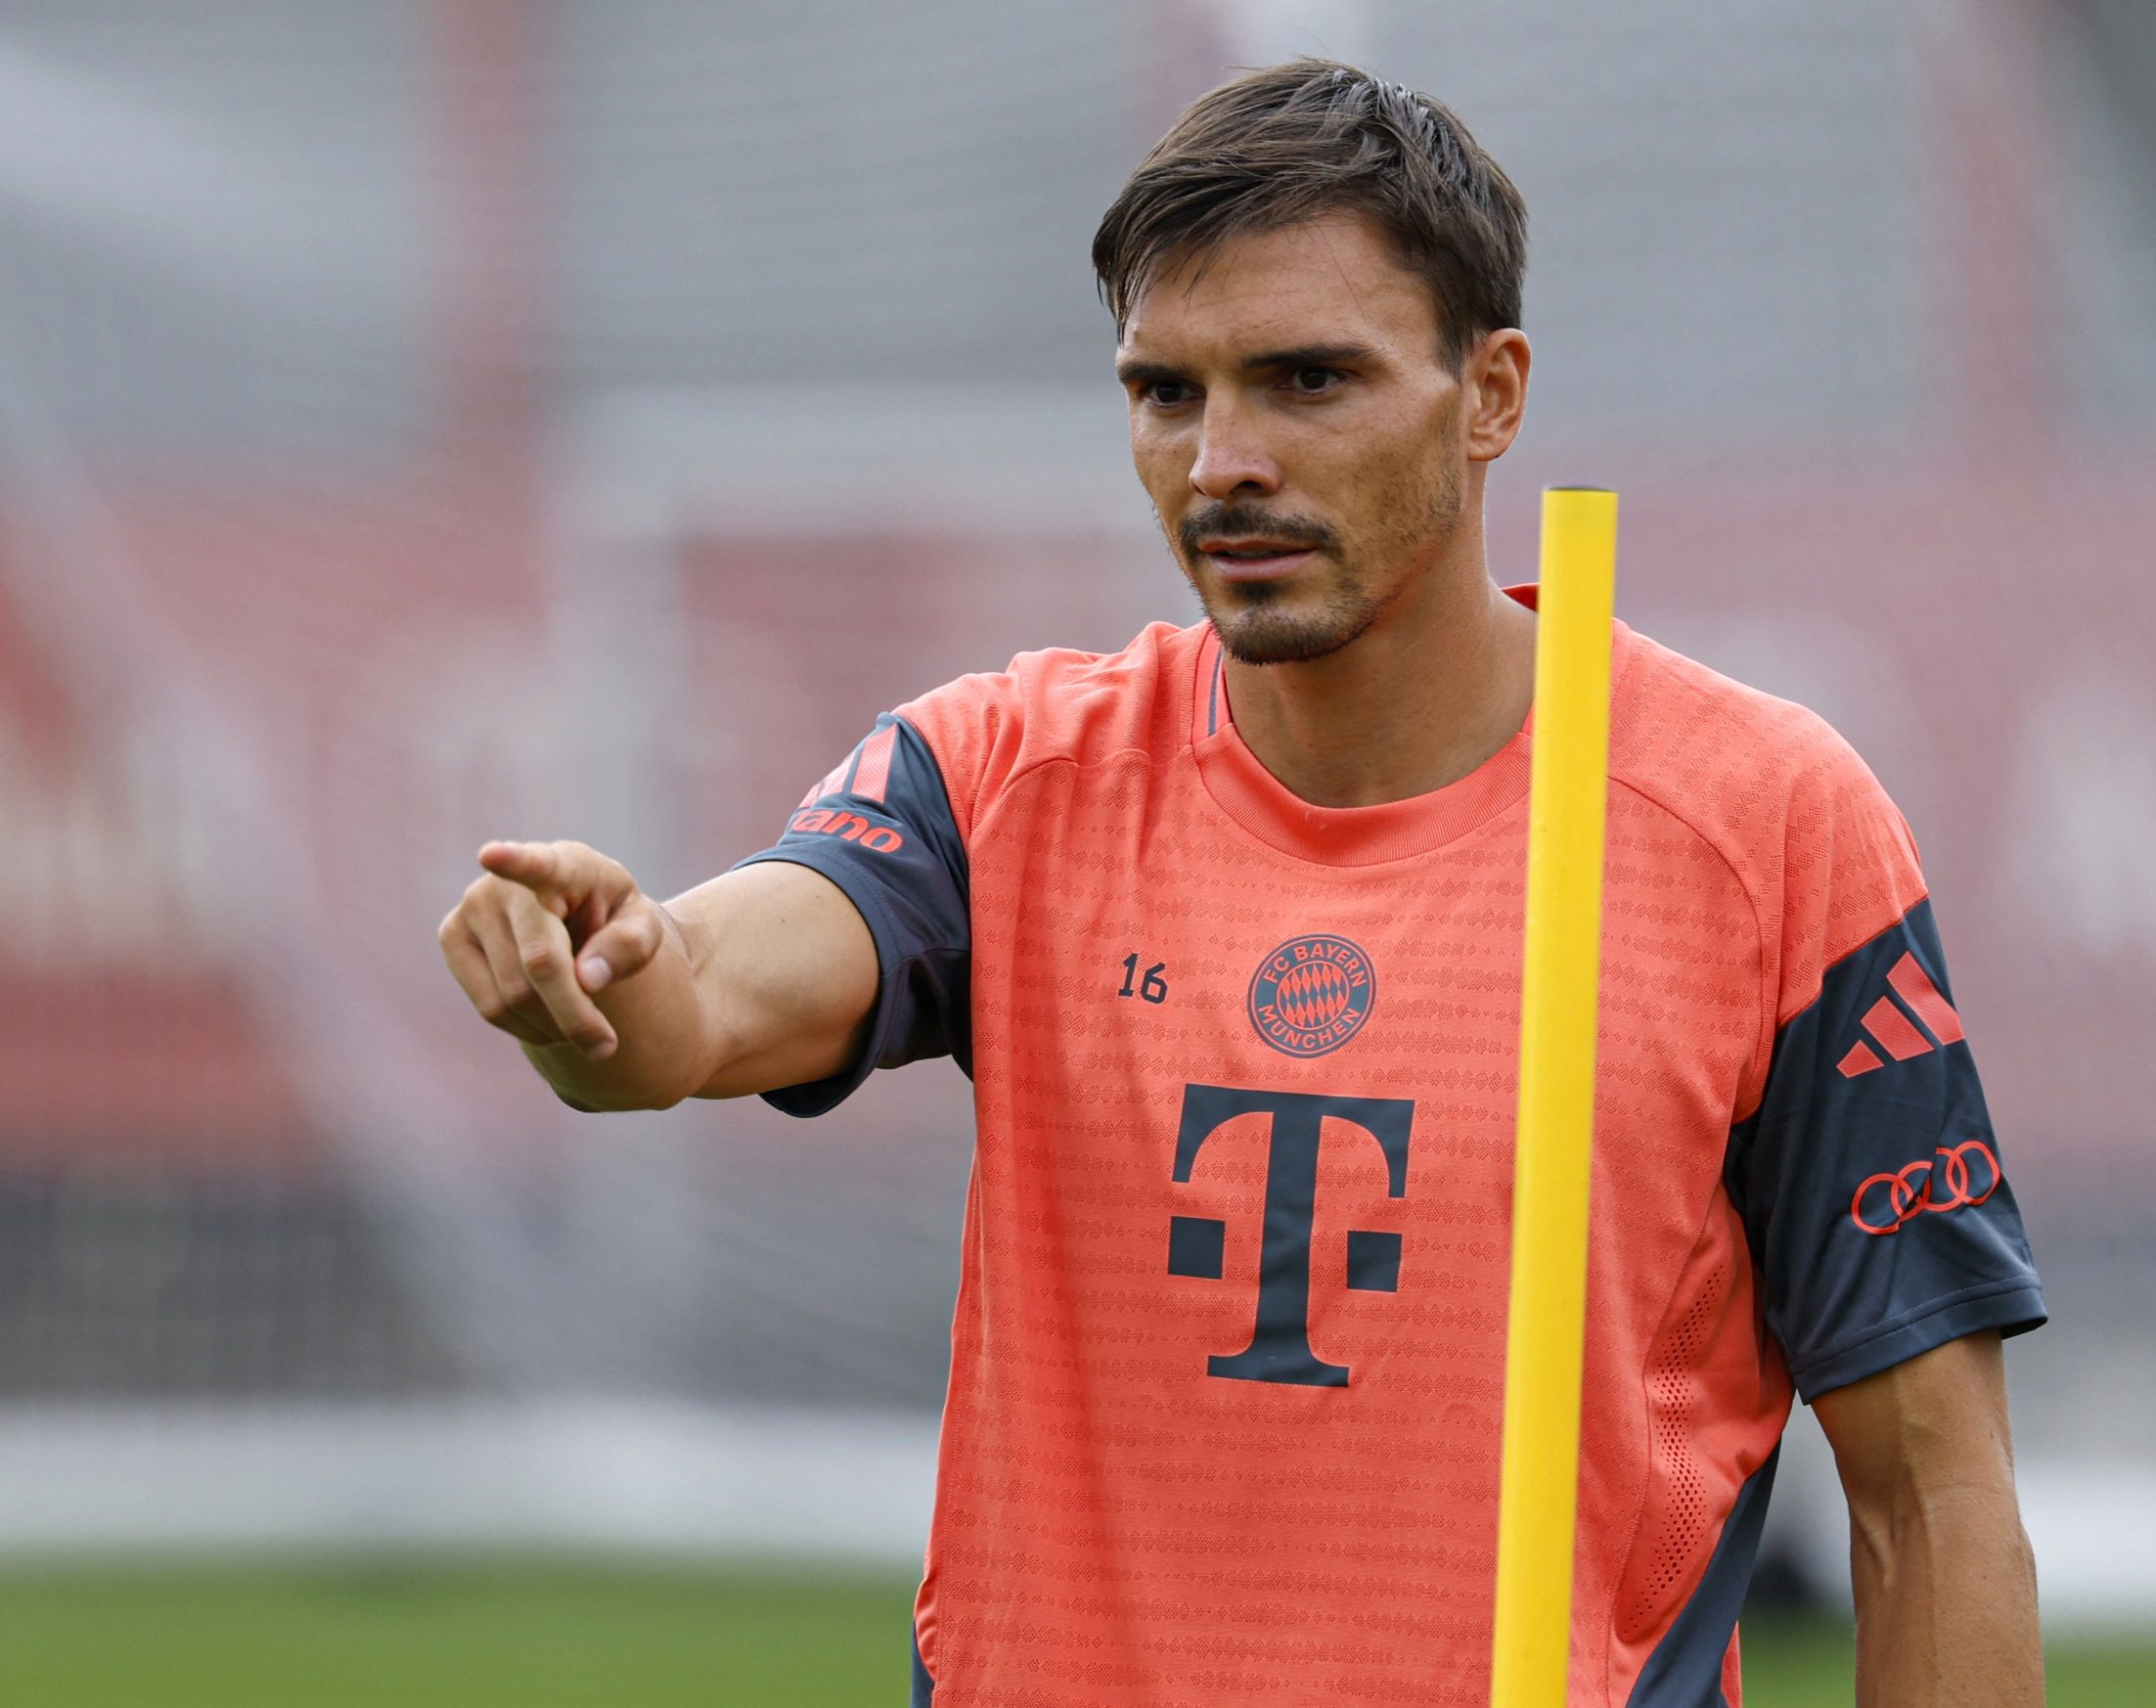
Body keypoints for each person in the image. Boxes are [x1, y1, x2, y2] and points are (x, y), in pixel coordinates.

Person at [438, 59, 2045, 1708]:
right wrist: (610, 971)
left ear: (1490, 395)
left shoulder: (1764, 824)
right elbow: (695, 1007)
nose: (1222, 461)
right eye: (1166, 392)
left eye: (1307, 380)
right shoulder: (1006, 771)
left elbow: (1929, 1495)